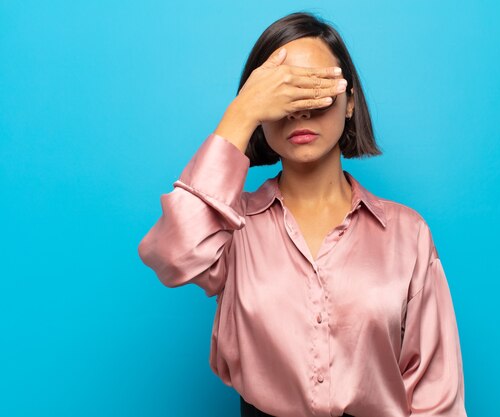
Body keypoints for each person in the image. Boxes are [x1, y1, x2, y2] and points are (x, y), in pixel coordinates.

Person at [138, 11, 467, 417]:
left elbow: (437, 394)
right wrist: (240, 115)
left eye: (316, 90)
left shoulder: (407, 233)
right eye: (284, 94)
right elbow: (172, 255)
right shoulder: (230, 228)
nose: (300, 111)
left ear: (349, 102)